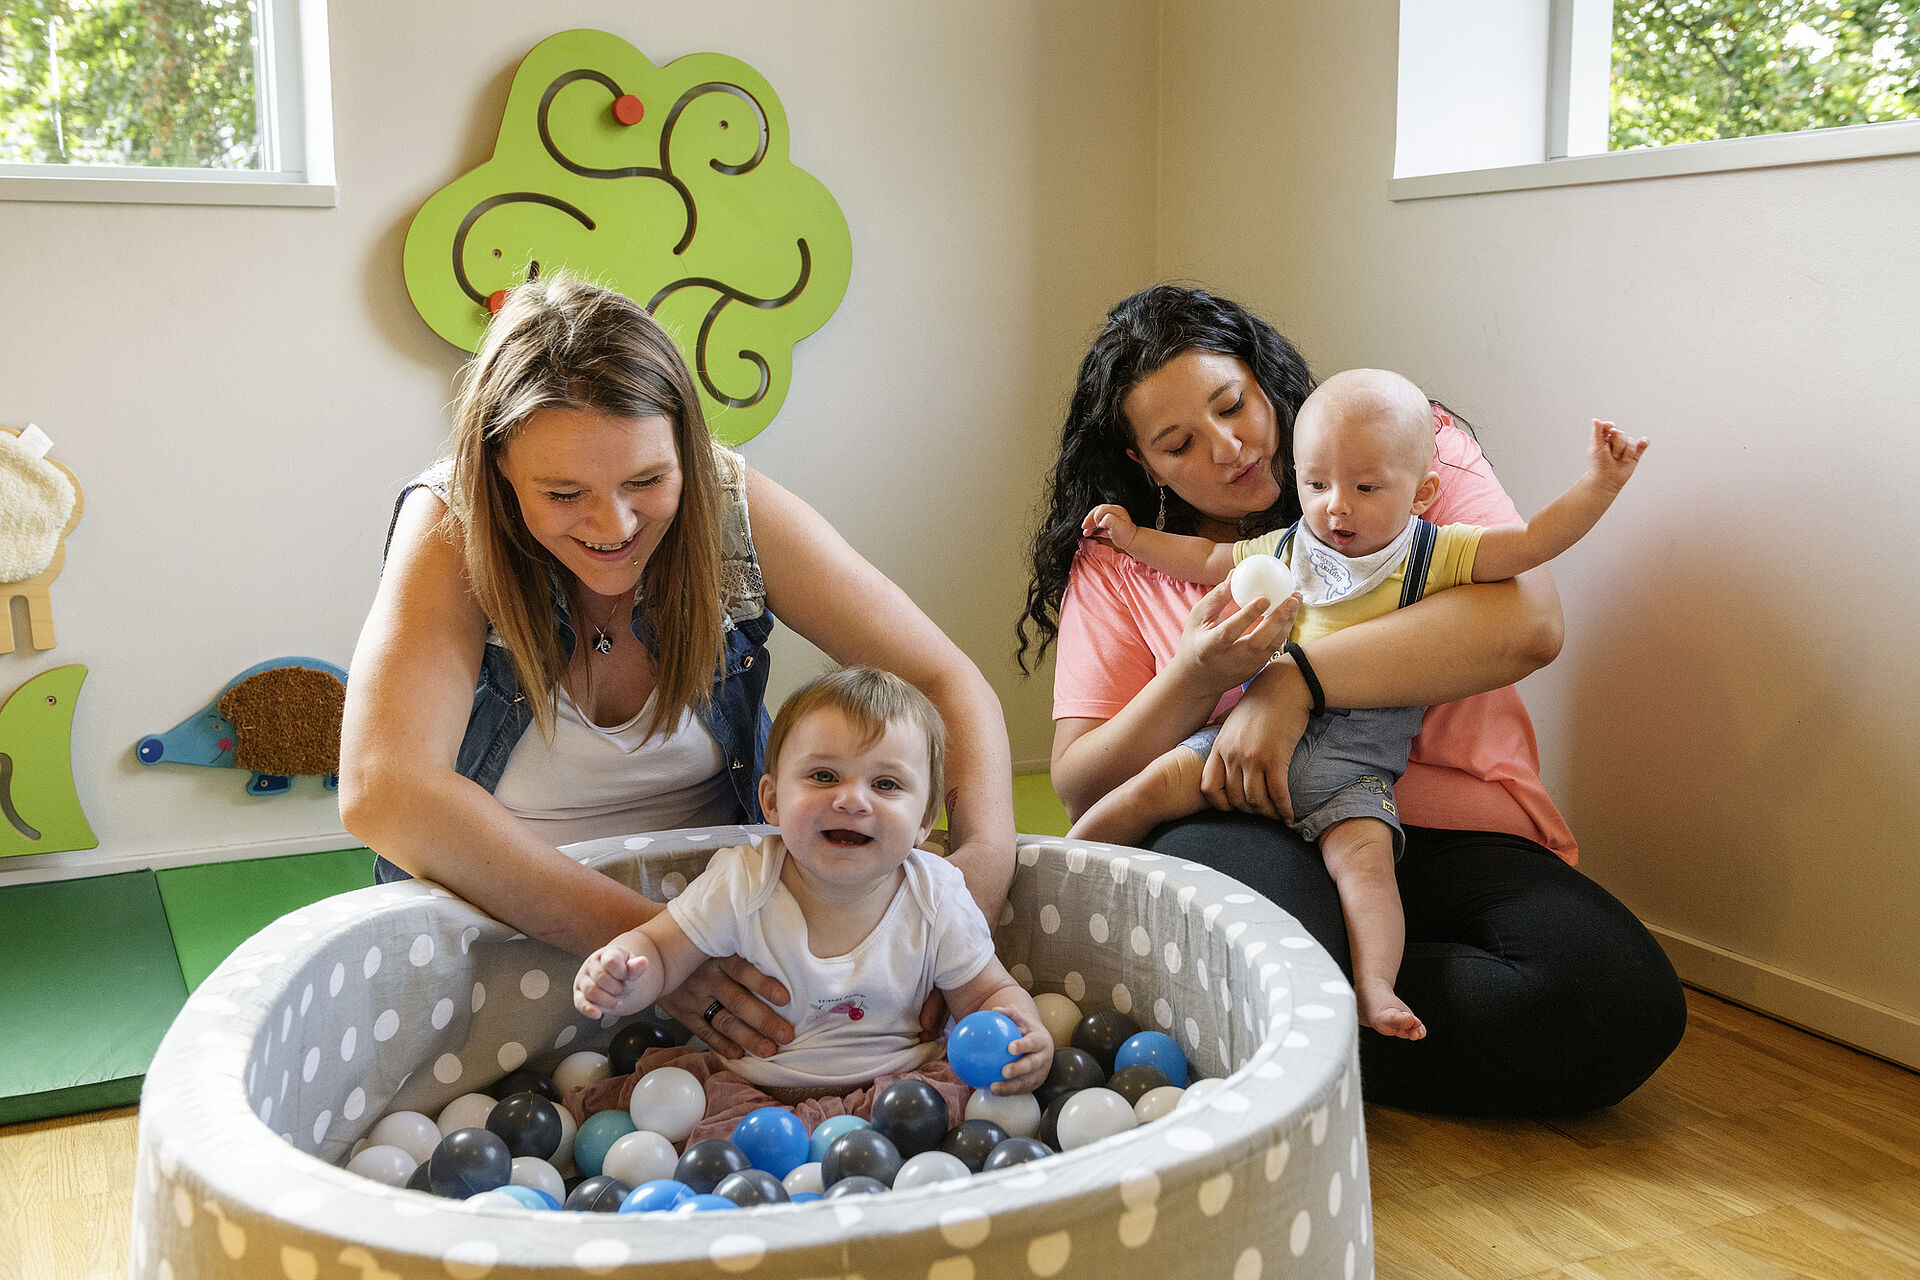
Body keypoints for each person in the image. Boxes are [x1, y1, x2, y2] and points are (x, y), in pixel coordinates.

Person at [1018, 284, 1686, 1115]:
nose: (1228, 449)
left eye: (1234, 405)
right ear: (1140, 465)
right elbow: (1085, 781)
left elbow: (1528, 625)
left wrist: (1292, 683)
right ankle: (1314, 1004)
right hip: (1242, 820)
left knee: (1616, 999)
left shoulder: (1403, 450)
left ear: (1265, 381)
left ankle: (1298, 1029)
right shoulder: (1125, 560)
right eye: (1177, 443)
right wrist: (1196, 677)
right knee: (1263, 933)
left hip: (1433, 824)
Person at [340, 275, 1016, 1060]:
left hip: (742, 955)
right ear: (499, 474)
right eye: (564, 494)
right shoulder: (453, 524)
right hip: (514, 944)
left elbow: (943, 681)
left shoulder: (728, 504)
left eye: (647, 481)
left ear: (686, 454)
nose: (614, 524)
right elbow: (384, 790)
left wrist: (981, 871)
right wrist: (657, 952)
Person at [573, 666, 1051, 1124]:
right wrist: (622, 973)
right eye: (824, 776)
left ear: (925, 821)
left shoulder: (937, 895)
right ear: (773, 800)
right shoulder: (743, 881)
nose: (851, 800)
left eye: (885, 784)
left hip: (905, 1096)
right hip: (752, 1099)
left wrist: (1026, 1038)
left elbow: (989, 992)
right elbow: (660, 948)